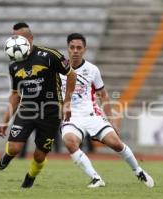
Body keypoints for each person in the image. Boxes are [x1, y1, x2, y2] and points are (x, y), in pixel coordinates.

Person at [60, 33, 154, 188]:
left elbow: (103, 95)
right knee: (70, 142)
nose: (75, 51)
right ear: (68, 49)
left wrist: (111, 120)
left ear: (84, 50)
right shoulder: (58, 69)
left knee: (116, 144)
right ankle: (96, 178)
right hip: (71, 117)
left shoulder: (92, 70)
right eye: (72, 47)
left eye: (79, 48)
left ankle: (138, 171)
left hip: (92, 115)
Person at [0, 22, 76, 188]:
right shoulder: (14, 64)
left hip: (51, 111)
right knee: (14, 147)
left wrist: (67, 102)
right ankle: (8, 155)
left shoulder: (49, 55)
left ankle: (30, 177)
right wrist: (5, 120)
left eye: (19, 38)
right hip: (28, 109)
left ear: (30, 38)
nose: (16, 41)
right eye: (13, 38)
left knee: (40, 156)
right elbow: (15, 94)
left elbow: (71, 74)